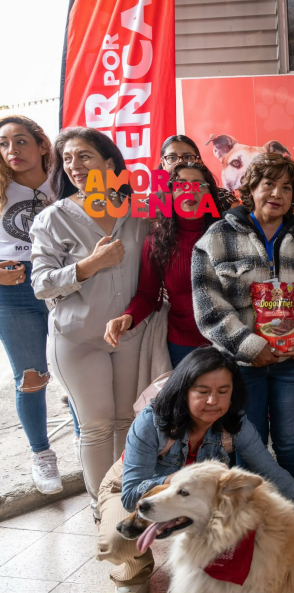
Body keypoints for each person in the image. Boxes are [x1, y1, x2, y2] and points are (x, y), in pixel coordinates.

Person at [96, 347, 294, 593]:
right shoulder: (151, 421)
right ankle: (134, 573)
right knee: (118, 539)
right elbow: (132, 493)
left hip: (185, 500)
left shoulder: (234, 423)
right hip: (127, 486)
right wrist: (177, 480)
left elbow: (269, 470)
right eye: (202, 391)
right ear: (184, 390)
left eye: (223, 391)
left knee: (239, 520)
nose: (213, 401)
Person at [192, 153, 294, 487]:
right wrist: (250, 347)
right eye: (268, 184)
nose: (277, 193)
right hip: (244, 366)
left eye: (286, 187)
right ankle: (254, 524)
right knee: (249, 444)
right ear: (251, 188)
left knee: (290, 443)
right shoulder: (216, 238)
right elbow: (208, 307)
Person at [31, 127, 151, 510]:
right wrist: (88, 266)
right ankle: (104, 512)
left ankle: (125, 505)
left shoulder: (137, 212)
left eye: (83, 156)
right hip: (78, 338)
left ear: (109, 163)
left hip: (129, 336)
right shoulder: (52, 219)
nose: (74, 166)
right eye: (67, 159)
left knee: (126, 424)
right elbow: (41, 284)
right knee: (97, 427)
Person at [0, 115, 68, 494]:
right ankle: (42, 454)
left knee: (76, 372)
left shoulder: (65, 182)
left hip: (64, 284)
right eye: (4, 144)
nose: (12, 151)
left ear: (42, 145)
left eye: (21, 141)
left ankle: (84, 443)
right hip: (13, 292)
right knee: (31, 377)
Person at [104, 163, 223, 367]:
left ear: (209, 194)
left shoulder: (227, 235)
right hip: (181, 345)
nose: (189, 191)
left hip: (227, 340)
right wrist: (127, 317)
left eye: (198, 185)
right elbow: (148, 295)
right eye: (180, 185)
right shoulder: (157, 241)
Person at [158, 134, 237, 210]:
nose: (180, 162)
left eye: (187, 157)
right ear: (163, 164)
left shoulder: (224, 198)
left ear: (198, 161)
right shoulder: (151, 205)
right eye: (172, 157)